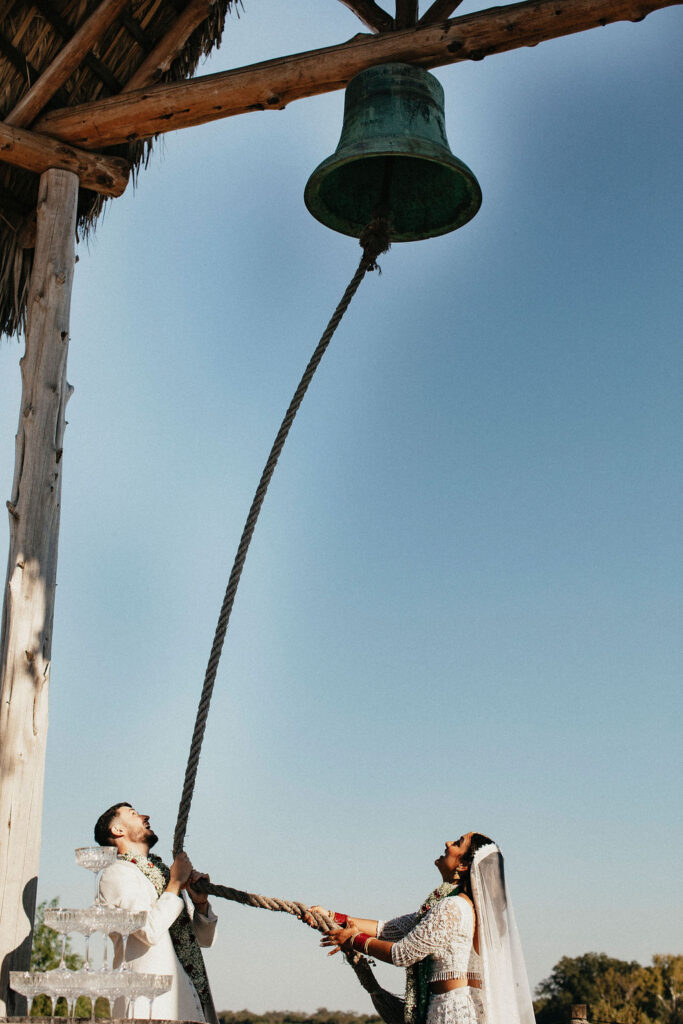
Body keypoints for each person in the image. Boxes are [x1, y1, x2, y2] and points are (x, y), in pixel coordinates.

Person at [310, 832, 535, 1024]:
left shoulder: (452, 907)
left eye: (457, 843)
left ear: (464, 865)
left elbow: (402, 953)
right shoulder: (459, 906)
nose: (447, 843)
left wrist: (353, 941)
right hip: (457, 1008)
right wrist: (330, 916)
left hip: (451, 1012)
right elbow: (389, 929)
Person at [94, 802, 218, 1024]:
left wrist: (200, 905)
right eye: (133, 814)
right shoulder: (115, 874)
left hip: (189, 1001)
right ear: (117, 830)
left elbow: (204, 940)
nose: (145, 815)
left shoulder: (161, 877)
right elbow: (149, 930)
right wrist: (175, 883)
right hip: (148, 1008)